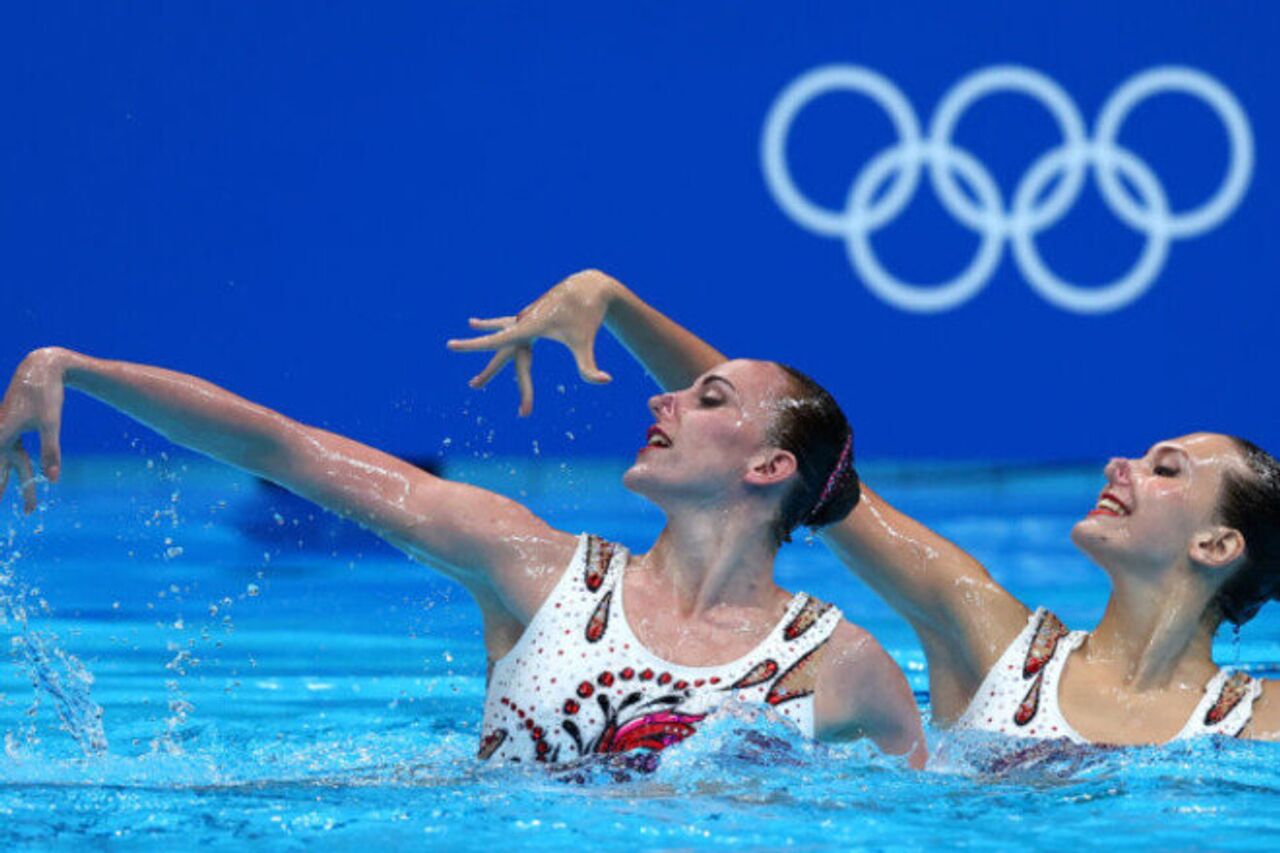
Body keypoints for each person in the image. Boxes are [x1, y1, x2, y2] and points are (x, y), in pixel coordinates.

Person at [449, 269, 1280, 745]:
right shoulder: (997, 646)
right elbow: (780, 443)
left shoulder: (1260, 720)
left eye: (1166, 468)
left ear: (1217, 543)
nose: (1121, 464)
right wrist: (618, 304)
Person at [0, 342, 926, 767]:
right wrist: (73, 370)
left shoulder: (843, 667)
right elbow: (285, 449)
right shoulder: (531, 566)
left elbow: (939, 818)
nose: (663, 403)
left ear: (770, 466)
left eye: (707, 398)